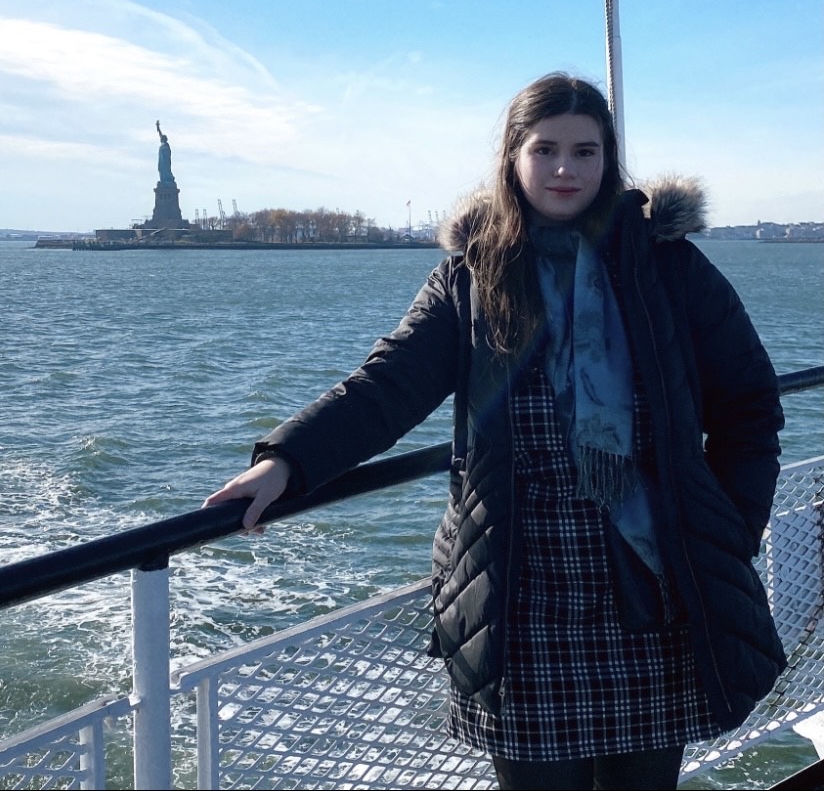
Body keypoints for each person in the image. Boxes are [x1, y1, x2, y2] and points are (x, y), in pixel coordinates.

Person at [203, 73, 786, 791]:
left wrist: (727, 527)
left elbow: (749, 408)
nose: (566, 169)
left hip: (657, 585)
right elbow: (386, 387)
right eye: (545, 150)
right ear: (513, 157)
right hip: (522, 590)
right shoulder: (471, 278)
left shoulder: (666, 268)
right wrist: (286, 461)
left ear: (609, 161)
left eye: (586, 151)